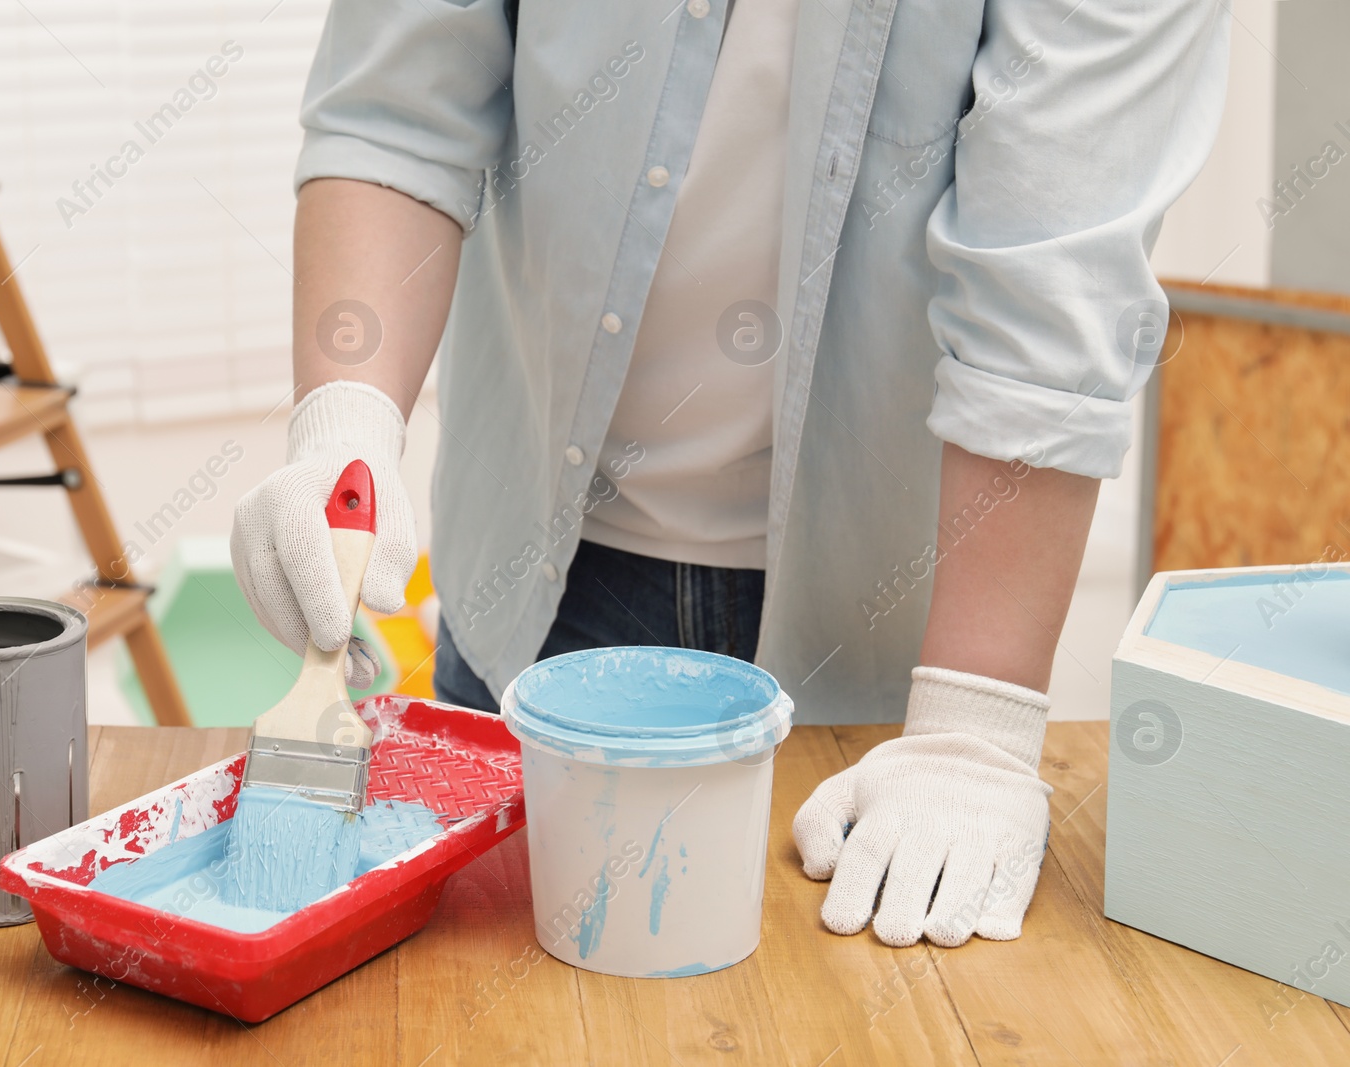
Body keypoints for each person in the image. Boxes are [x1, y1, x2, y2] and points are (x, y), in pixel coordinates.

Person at [230, 0, 1229, 948]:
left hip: (888, 636)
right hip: (538, 586)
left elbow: (1049, 279)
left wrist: (973, 726)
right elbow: (399, 108)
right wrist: (346, 411)